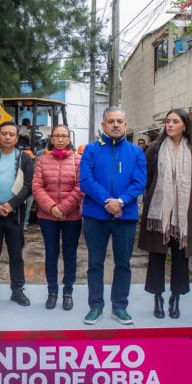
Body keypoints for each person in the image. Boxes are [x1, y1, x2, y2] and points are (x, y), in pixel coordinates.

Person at [79, 106, 147, 325]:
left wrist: (121, 202)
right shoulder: (91, 150)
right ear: (103, 125)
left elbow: (139, 182)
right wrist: (107, 201)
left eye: (119, 121)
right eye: (111, 121)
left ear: (125, 125)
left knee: (123, 264)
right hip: (95, 216)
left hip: (125, 217)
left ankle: (119, 307)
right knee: (95, 263)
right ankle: (96, 306)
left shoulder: (136, 152)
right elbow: (86, 180)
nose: (116, 125)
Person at [138, 109, 192, 319]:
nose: (170, 125)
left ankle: (176, 297)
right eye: (168, 121)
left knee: (181, 257)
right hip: (158, 213)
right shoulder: (154, 149)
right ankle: (158, 298)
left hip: (182, 214)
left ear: (185, 125)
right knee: (157, 255)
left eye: (175, 121)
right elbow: (147, 180)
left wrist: (178, 200)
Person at [0, 121, 35, 307]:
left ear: (17, 138)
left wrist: (11, 204)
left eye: (11, 134)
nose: (7, 137)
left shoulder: (24, 158)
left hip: (15, 215)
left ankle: (17, 290)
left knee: (16, 254)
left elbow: (28, 185)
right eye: (4, 133)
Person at [31, 124, 83, 311]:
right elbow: (37, 187)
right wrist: (52, 207)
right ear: (51, 139)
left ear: (69, 139)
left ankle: (68, 292)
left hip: (72, 217)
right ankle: (52, 292)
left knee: (70, 255)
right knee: (51, 254)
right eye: (57, 136)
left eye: (64, 136)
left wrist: (64, 207)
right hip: (48, 217)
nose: (60, 139)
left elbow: (81, 187)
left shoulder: (78, 160)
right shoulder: (42, 161)